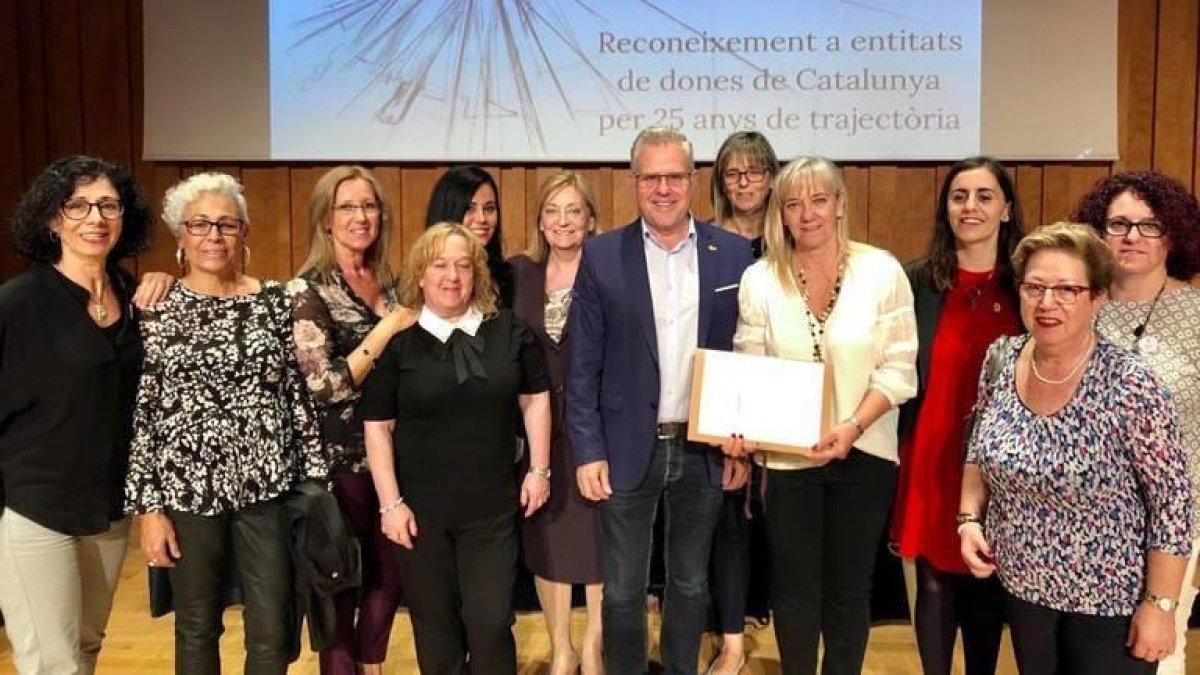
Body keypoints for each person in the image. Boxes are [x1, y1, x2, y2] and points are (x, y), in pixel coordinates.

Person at [959, 222, 1192, 674]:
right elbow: (977, 445)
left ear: (1097, 297)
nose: (1047, 303)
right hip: (1025, 591)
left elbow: (1172, 503)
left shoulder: (1130, 384)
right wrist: (968, 518)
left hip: (1110, 603)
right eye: (1035, 287)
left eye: (1067, 289)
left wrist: (1161, 606)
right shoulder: (1002, 358)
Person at [566, 126, 754, 675]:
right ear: (635, 182)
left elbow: (747, 356)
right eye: (652, 177)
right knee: (622, 590)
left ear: (692, 181)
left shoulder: (734, 255)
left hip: (705, 446)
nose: (664, 188)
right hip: (625, 447)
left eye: (675, 176)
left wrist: (741, 448)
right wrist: (587, 449)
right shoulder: (601, 256)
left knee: (691, 581)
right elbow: (582, 367)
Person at [125, 172, 328, 674]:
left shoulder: (277, 301)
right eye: (199, 224)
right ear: (180, 235)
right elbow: (146, 411)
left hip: (268, 491)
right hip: (188, 492)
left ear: (244, 233)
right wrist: (148, 509)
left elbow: (297, 396)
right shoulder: (156, 307)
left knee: (272, 629)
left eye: (226, 225)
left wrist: (316, 485)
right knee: (196, 626)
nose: (213, 236)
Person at [727, 156, 918, 674]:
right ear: (780, 214)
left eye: (818, 199)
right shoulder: (760, 279)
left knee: (849, 590)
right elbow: (751, 365)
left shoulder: (881, 271)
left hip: (865, 451)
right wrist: (740, 430)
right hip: (789, 461)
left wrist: (851, 426)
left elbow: (900, 369)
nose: (807, 213)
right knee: (793, 591)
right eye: (793, 203)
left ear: (839, 204)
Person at [359, 223, 552, 675]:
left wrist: (539, 470)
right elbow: (377, 428)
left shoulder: (508, 331)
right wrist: (390, 505)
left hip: (492, 512)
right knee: (435, 628)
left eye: (463, 265)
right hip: (421, 516)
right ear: (420, 276)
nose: (452, 276)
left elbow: (536, 399)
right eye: (439, 265)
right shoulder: (399, 343)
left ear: (477, 274)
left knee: (488, 625)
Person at [0, 155, 151, 674]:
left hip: (107, 507)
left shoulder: (135, 297)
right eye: (79, 206)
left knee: (85, 647)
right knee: (53, 662)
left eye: (108, 205)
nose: (96, 218)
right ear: (51, 219)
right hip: (34, 505)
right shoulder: (17, 304)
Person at [890, 157, 1024, 675]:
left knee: (985, 575)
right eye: (959, 196)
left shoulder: (1027, 284)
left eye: (985, 196)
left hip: (1000, 459)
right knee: (932, 579)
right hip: (931, 449)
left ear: (1007, 208)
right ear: (946, 209)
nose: (971, 206)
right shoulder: (916, 281)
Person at [288, 165, 418, 675]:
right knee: (340, 586)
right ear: (325, 220)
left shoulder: (392, 285)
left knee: (391, 577)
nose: (360, 217)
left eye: (369, 206)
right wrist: (386, 328)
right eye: (347, 207)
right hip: (337, 465)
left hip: (394, 458)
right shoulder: (308, 292)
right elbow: (327, 385)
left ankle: (372, 663)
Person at [1073, 172, 1200, 675]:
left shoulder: (1197, 314)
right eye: (1120, 224)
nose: (1132, 237)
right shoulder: (1074, 304)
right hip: (1083, 520)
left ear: (1174, 235)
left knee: (1157, 653)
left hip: (1172, 518)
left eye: (1150, 226)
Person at [510, 172, 603, 675]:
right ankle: (561, 648)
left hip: (595, 430)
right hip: (536, 436)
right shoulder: (519, 274)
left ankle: (592, 647)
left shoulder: (609, 271)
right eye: (552, 211)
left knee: (597, 540)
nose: (563, 221)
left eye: (573, 210)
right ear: (540, 222)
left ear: (591, 219)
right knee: (546, 536)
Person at [705, 131, 780, 674]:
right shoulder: (706, 245)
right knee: (728, 526)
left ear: (772, 177)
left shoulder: (794, 240)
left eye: (754, 171)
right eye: (733, 173)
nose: (745, 182)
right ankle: (730, 640)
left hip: (787, 401)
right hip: (727, 401)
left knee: (785, 527)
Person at [425, 165, 514, 307]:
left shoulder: (508, 278)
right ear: (448, 211)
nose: (481, 218)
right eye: (469, 209)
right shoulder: (422, 278)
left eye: (489, 208)